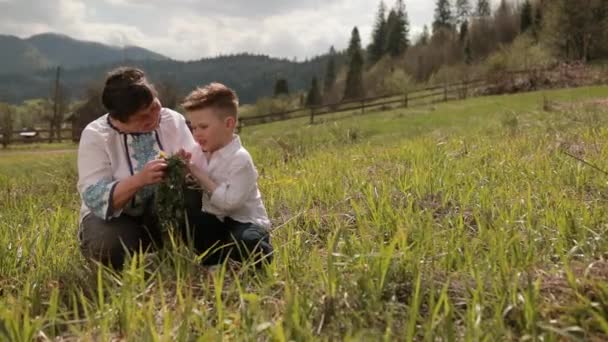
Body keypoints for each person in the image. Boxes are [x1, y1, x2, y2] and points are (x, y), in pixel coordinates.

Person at [77, 67, 201, 269]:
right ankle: (140, 249)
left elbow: (199, 166)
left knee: (193, 199)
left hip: (162, 210)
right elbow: (93, 196)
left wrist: (185, 168)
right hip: (115, 218)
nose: (153, 117)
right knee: (109, 246)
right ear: (119, 118)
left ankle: (173, 245)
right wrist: (139, 180)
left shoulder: (172, 120)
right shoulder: (96, 135)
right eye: (143, 117)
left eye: (154, 106)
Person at [181, 83, 273, 266]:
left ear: (229, 124)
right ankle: (215, 262)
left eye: (203, 127)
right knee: (189, 220)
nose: (197, 134)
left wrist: (197, 173)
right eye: (193, 128)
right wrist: (184, 171)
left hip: (245, 222)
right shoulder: (199, 152)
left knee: (246, 241)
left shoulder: (241, 159)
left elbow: (229, 203)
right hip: (216, 220)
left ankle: (258, 255)